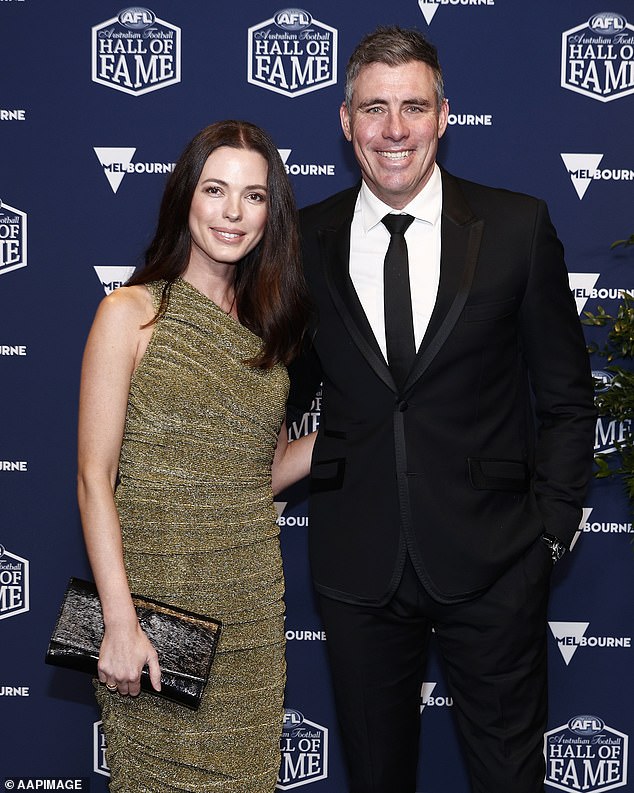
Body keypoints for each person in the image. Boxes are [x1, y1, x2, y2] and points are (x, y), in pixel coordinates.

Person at [290, 26, 597, 793]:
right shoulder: (304, 239)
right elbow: (276, 390)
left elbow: (565, 395)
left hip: (496, 562)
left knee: (508, 778)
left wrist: (550, 532)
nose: (394, 130)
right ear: (345, 120)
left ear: (445, 115)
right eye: (375, 109)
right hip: (358, 567)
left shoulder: (517, 228)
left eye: (414, 107)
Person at [77, 120, 314, 793]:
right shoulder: (130, 313)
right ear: (187, 195)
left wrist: (360, 430)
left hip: (250, 612)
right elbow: (95, 478)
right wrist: (119, 623)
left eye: (254, 196)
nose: (233, 212)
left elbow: (260, 474)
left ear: (272, 212)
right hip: (154, 613)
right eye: (216, 189)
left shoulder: (268, 331)